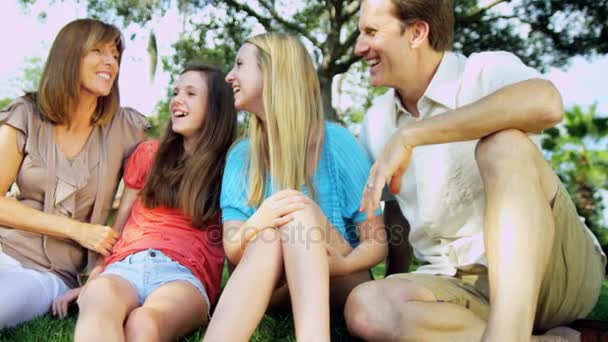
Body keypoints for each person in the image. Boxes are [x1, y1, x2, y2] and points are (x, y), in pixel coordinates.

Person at [344, 0, 606, 341]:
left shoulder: (484, 70)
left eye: (371, 32)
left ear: (417, 32)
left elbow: (546, 103)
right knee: (366, 307)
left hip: (554, 273)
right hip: (457, 283)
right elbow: (395, 212)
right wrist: (396, 281)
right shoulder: (376, 120)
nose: (359, 47)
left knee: (503, 145)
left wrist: (411, 135)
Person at [202, 33, 387, 342]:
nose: (229, 76)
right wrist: (260, 220)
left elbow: (377, 243)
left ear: (273, 72)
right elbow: (234, 249)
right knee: (271, 232)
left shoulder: (337, 143)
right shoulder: (241, 155)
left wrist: (343, 264)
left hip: (339, 276)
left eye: (239, 65)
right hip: (274, 283)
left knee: (295, 208)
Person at [55, 64, 238, 341]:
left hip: (184, 275)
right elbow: (120, 225)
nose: (177, 99)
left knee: (144, 323)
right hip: (126, 264)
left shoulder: (230, 165)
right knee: (99, 299)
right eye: (176, 91)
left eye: (190, 93)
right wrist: (94, 279)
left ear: (216, 108)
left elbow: (237, 232)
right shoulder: (149, 154)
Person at [0, 18, 149, 329]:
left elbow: (144, 204)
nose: (111, 61)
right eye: (98, 50)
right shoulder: (25, 114)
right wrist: (76, 229)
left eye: (115, 54)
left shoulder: (126, 129)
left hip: (46, 274)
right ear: (69, 56)